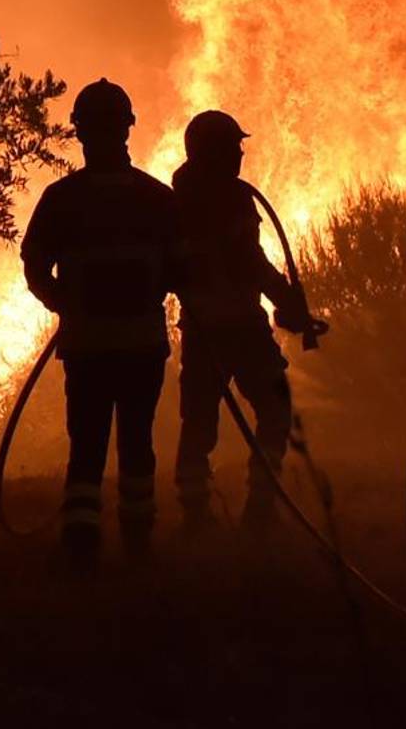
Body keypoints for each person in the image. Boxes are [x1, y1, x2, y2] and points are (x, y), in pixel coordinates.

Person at [20, 79, 179, 565]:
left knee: (87, 445)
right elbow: (179, 270)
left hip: (91, 346)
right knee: (136, 443)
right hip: (137, 345)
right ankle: (136, 541)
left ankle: (83, 544)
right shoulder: (156, 197)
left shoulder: (62, 199)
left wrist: (61, 301)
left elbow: (34, 265)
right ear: (126, 128)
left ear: (81, 133)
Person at [171, 111, 311, 531]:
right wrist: (288, 301)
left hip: (202, 331)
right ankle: (260, 504)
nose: (240, 154)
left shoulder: (177, 202)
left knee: (199, 422)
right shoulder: (228, 200)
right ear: (211, 152)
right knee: (274, 410)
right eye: (233, 147)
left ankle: (195, 511)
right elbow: (250, 262)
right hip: (239, 328)